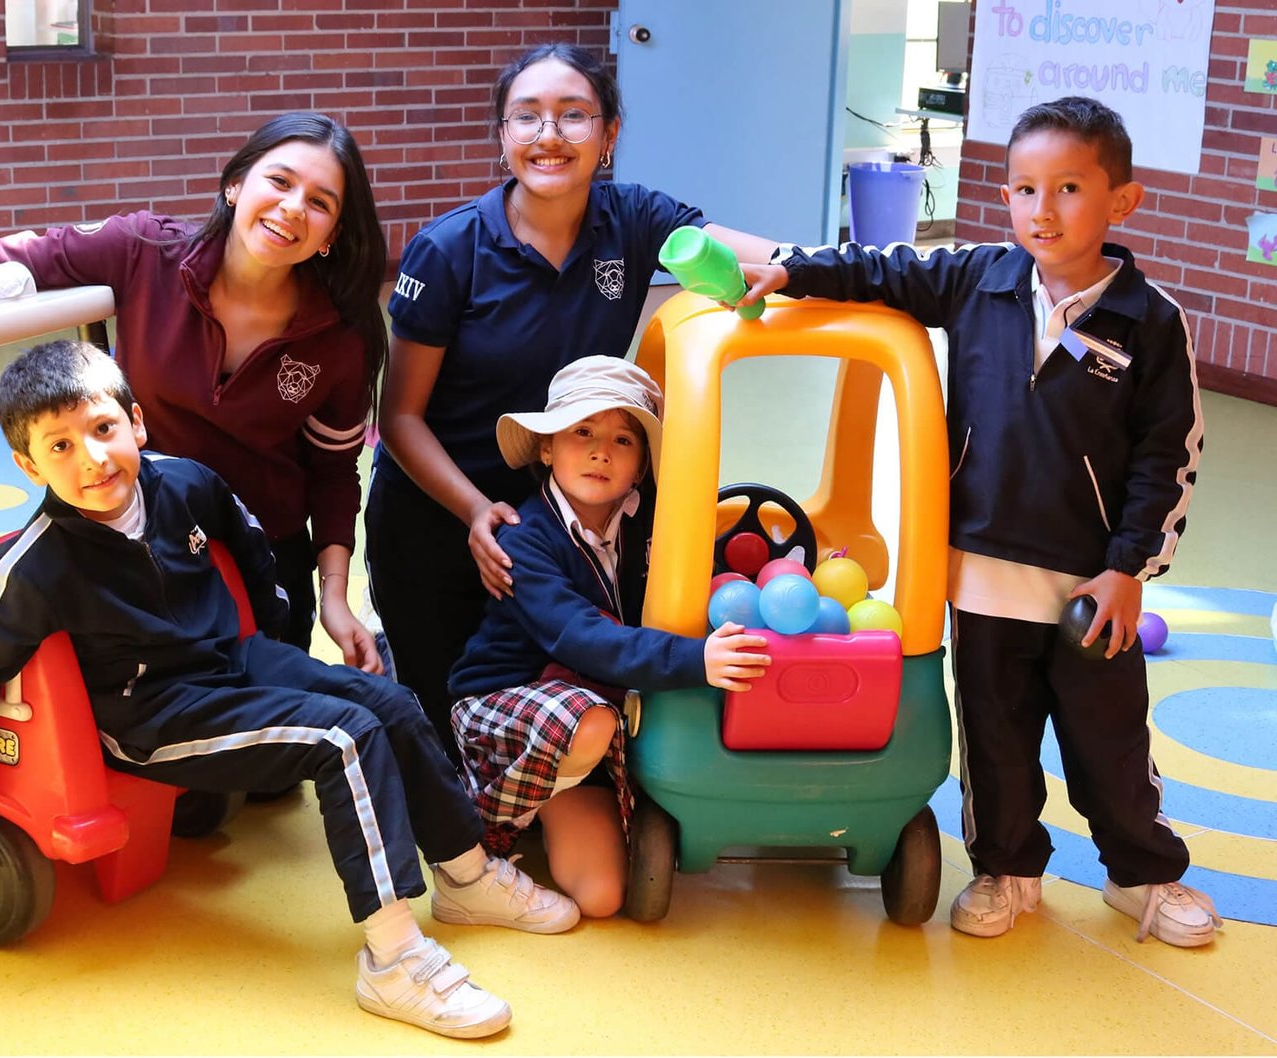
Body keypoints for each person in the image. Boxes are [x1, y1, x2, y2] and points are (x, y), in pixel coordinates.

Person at [0, 340, 581, 1039]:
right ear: (28, 465)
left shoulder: (186, 483)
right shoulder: (36, 566)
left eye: (102, 431)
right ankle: (394, 960)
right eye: (61, 446)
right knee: (342, 740)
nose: (92, 459)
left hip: (235, 658)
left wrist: (280, 644)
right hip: (154, 714)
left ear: (135, 423)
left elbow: (249, 541)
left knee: (390, 702)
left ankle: (468, 877)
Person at [732, 96, 1219, 947]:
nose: (1043, 210)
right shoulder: (977, 278)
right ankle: (1007, 867)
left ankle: (1142, 872)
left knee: (1107, 741)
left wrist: (1129, 569)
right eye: (1024, 189)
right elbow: (876, 270)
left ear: (1122, 201)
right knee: (995, 736)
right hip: (981, 571)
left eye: (1068, 188)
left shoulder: (1152, 321)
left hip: (1089, 583)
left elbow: (1167, 459)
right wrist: (792, 270)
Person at [0, 112, 382, 671]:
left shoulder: (340, 335)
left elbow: (333, 474)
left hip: (261, 563)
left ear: (332, 233)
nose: (291, 208)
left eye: (319, 202)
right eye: (280, 181)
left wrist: (335, 594)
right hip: (131, 541)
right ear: (236, 184)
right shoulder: (144, 250)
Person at [369, 43, 781, 760]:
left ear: (610, 133)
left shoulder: (634, 220)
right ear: (502, 135)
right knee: (440, 738)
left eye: (573, 116)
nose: (548, 135)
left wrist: (798, 273)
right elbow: (398, 419)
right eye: (525, 117)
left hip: (559, 512)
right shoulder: (449, 252)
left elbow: (769, 257)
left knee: (552, 685)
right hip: (438, 518)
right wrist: (472, 511)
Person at [446, 356, 771, 917]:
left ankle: (544, 800)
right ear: (547, 448)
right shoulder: (525, 540)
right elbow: (582, 636)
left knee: (601, 898)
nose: (602, 451)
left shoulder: (651, 529)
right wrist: (698, 660)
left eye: (623, 440)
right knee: (587, 719)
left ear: (641, 465)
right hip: (509, 709)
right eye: (583, 431)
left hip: (593, 725)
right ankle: (492, 818)